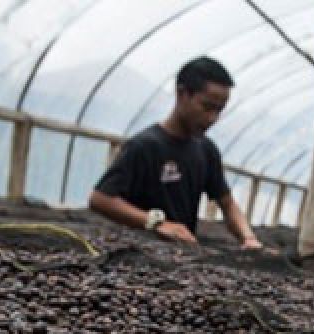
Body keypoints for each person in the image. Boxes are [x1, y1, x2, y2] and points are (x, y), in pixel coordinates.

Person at [89, 56, 262, 249]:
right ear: (182, 94)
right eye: (207, 107)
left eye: (219, 110)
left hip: (183, 252)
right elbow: (100, 199)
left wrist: (248, 238)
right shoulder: (145, 145)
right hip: (138, 250)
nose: (212, 118)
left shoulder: (206, 149)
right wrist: (156, 223)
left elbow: (227, 203)